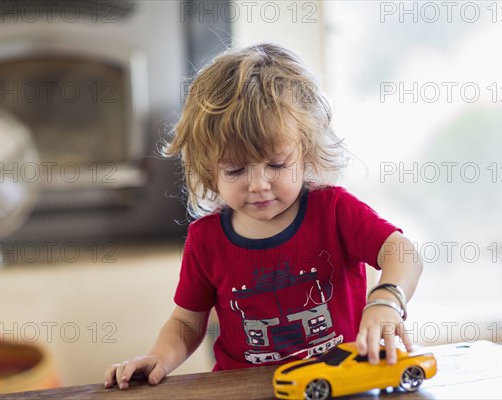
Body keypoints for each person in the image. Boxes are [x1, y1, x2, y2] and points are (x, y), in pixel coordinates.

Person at [104, 42, 423, 390]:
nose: (258, 185)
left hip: (339, 383)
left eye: (276, 164)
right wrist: (159, 357)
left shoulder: (334, 210)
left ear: (307, 151)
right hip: (243, 389)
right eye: (235, 170)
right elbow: (186, 322)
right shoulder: (205, 239)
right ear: (210, 170)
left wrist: (386, 299)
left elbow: (403, 252)